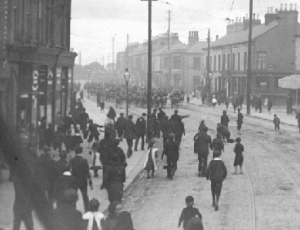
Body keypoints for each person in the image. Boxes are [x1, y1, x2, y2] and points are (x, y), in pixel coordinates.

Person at [70, 146, 93, 212]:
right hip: (83, 180)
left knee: (73, 196)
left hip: (74, 181)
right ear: (81, 151)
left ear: (75, 152)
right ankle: (87, 210)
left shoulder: (72, 160)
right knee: (85, 196)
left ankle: (73, 210)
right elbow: (87, 172)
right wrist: (90, 183)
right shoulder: (84, 160)